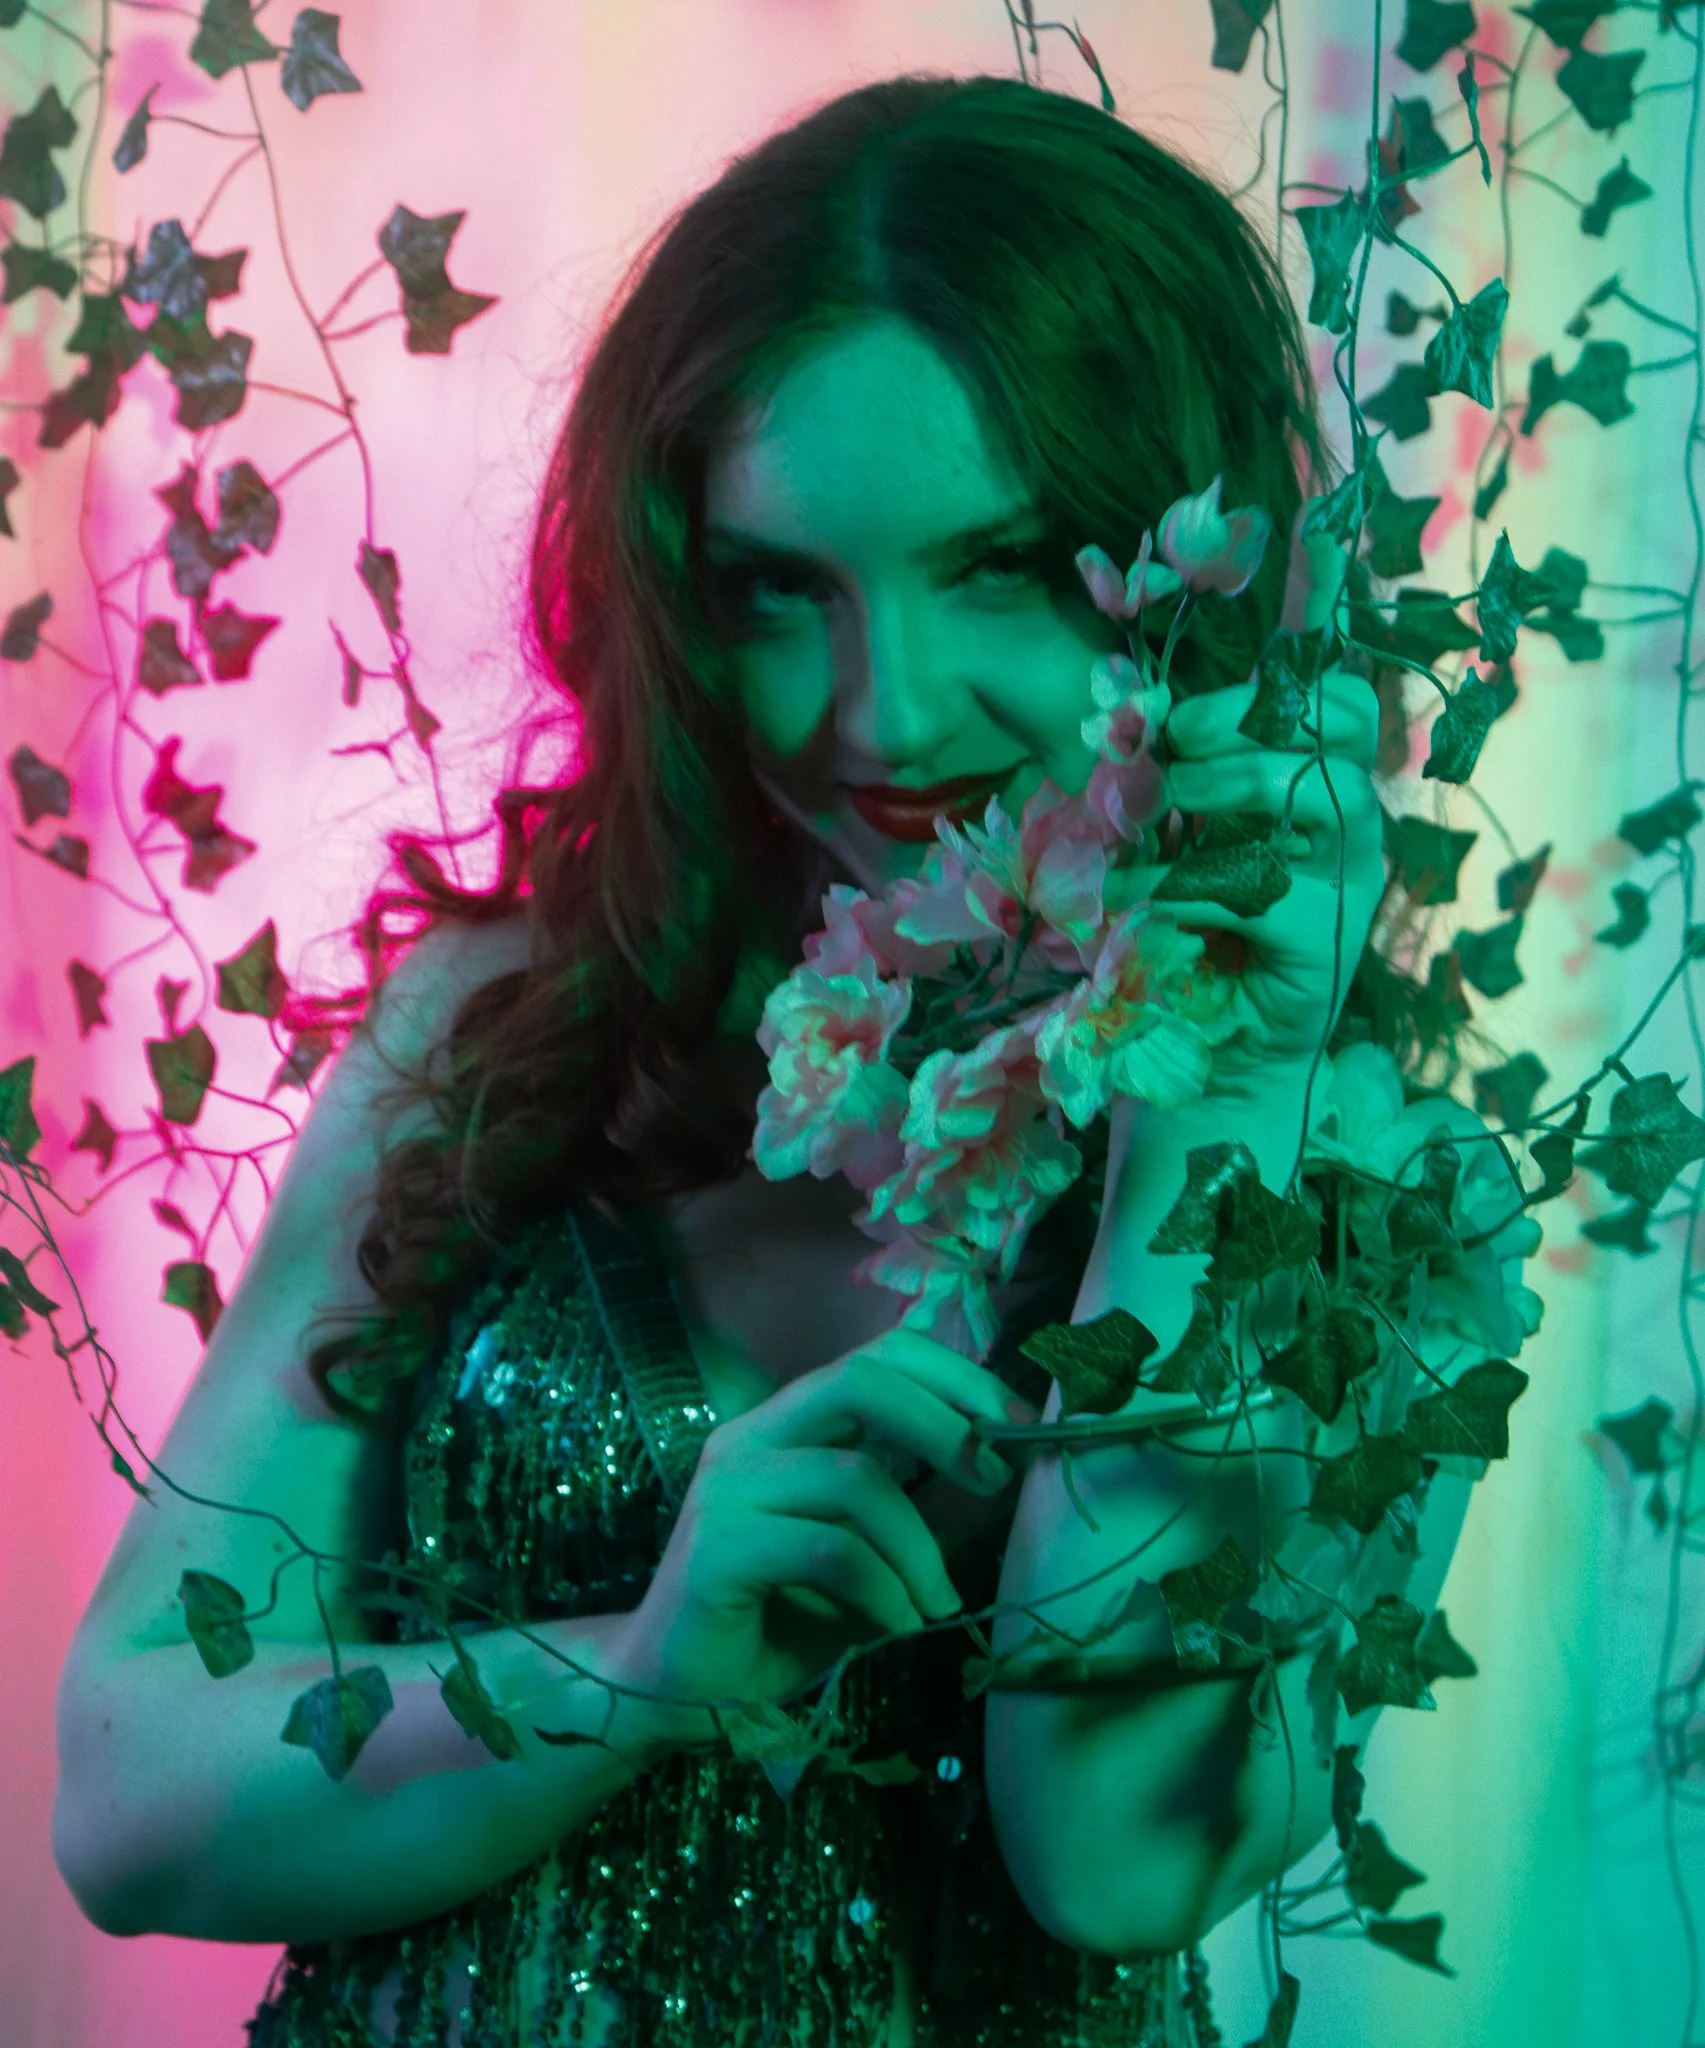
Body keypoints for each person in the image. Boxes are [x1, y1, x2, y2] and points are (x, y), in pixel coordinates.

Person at [50, 70, 1460, 2047]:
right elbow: (125, 1796)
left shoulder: (1380, 1190)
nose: (884, 717)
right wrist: (630, 1666)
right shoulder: (517, 1022)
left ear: (1208, 577)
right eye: (778, 591)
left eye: (1007, 564)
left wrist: (1213, 1104)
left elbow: (1116, 1855)